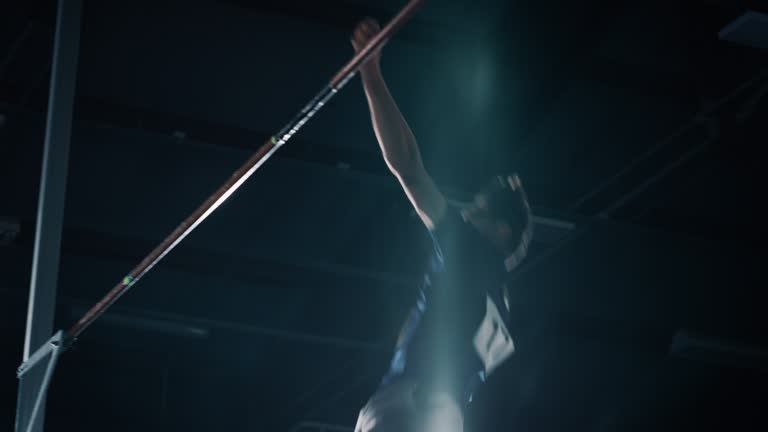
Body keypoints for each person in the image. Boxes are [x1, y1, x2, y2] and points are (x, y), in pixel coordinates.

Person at [351, 18, 534, 432]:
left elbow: (409, 168)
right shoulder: (500, 306)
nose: (467, 212)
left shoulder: (468, 249)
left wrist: (372, 75)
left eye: (479, 209)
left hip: (412, 405)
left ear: (500, 231)